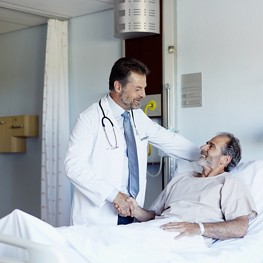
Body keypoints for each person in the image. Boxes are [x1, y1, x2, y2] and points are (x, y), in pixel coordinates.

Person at [65, 57, 199, 226]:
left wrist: (204, 155)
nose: (143, 94)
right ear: (118, 86)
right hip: (99, 215)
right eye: (137, 89)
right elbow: (73, 166)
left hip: (132, 211)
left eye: (144, 88)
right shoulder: (89, 119)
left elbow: (169, 140)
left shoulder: (137, 116)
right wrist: (114, 195)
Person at [122, 132, 257, 241]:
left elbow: (240, 227)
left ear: (225, 160)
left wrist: (198, 228)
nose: (203, 148)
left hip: (184, 237)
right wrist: (136, 210)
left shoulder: (229, 183)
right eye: (206, 143)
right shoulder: (182, 178)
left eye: (211, 146)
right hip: (155, 229)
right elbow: (153, 216)